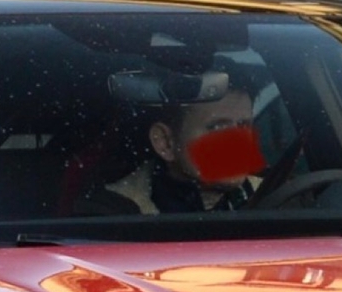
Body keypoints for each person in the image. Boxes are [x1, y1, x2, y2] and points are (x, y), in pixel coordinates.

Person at [91, 78, 263, 215]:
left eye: (243, 125)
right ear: (165, 142)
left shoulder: (272, 196)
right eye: (217, 128)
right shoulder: (112, 215)